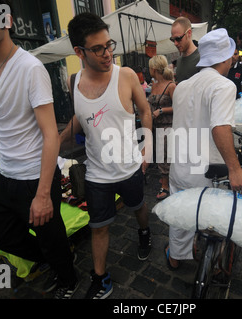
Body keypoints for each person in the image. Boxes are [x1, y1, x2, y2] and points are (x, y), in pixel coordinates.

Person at [0, 0, 78, 299]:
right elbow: (1, 120)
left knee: (51, 237)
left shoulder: (30, 68)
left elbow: (51, 135)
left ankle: (68, 278)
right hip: (6, 172)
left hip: (35, 177)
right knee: (7, 237)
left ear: (5, 19)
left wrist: (42, 195)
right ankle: (58, 258)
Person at [60, 12, 153, 299]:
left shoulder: (125, 76)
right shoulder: (74, 82)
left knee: (138, 208)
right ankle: (101, 279)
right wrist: (57, 139)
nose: (107, 53)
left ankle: (144, 232)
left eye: (108, 45)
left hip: (129, 167)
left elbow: (145, 110)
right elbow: (81, 118)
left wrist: (147, 148)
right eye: (98, 48)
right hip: (97, 172)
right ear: (79, 52)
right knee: (98, 227)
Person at [165, 29, 242, 270]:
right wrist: (235, 169)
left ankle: (175, 257)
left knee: (180, 218)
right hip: (208, 172)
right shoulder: (223, 86)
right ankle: (213, 264)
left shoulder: (182, 86)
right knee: (213, 219)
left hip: (181, 166)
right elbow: (220, 128)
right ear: (226, 58)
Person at [148, 55, 176, 200]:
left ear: (153, 69)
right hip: (156, 127)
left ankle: (165, 186)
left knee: (166, 156)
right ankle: (166, 180)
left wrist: (161, 111)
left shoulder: (171, 85)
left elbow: (179, 106)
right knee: (160, 156)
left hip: (168, 126)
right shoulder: (153, 85)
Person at [171, 17, 200, 84]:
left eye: (178, 39)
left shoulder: (201, 58)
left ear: (189, 33)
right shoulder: (179, 61)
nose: (175, 43)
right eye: (173, 40)